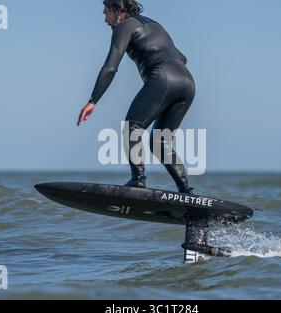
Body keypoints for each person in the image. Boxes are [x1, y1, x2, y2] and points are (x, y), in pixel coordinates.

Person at [78, 0, 196, 194]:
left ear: (118, 10)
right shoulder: (155, 25)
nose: (105, 19)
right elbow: (182, 57)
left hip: (163, 77)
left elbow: (110, 67)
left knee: (131, 128)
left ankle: (138, 179)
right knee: (160, 141)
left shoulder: (124, 26)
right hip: (187, 82)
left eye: (106, 12)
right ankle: (186, 192)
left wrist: (93, 100)